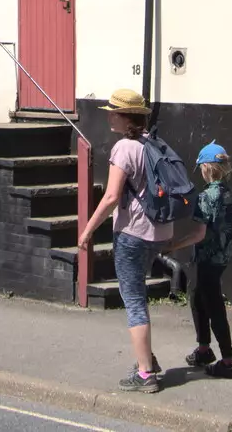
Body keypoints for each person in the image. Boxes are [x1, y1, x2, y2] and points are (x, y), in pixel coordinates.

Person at [77, 89, 204, 393]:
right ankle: (147, 359)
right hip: (160, 232)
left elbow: (110, 197)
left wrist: (88, 230)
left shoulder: (124, 148)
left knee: (134, 303)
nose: (109, 116)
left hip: (133, 234)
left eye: (113, 112)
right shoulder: (154, 143)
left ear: (125, 117)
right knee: (138, 297)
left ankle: (146, 374)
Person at [185, 141, 232, 378]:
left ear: (206, 168)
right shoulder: (228, 192)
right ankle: (204, 349)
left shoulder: (206, 196)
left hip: (208, 256)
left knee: (213, 304)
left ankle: (227, 362)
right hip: (224, 253)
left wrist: (171, 246)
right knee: (197, 295)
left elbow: (199, 233)